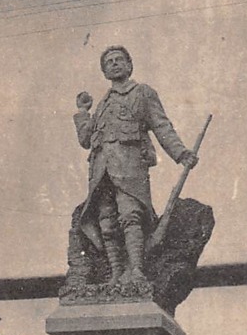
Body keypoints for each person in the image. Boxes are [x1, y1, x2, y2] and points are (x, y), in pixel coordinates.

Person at [74, 46, 198, 284]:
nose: (114, 64)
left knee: (131, 216)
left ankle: (137, 271)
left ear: (130, 66)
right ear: (104, 72)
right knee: (107, 222)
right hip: (102, 171)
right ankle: (117, 273)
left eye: (119, 60)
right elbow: (85, 140)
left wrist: (181, 153)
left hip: (130, 168)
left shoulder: (142, 93)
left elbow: (162, 126)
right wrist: (82, 112)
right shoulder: (102, 105)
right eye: (109, 62)